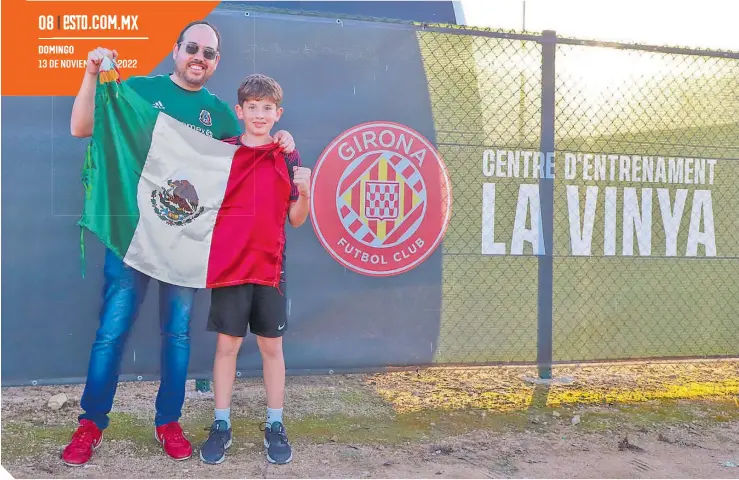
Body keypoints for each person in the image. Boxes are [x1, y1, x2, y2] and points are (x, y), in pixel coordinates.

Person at [62, 21, 298, 467]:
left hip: (186, 246)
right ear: (176, 50)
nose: (199, 58)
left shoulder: (222, 115)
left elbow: (256, 146)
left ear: (216, 64)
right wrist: (92, 73)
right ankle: (90, 424)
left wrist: (285, 142)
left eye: (209, 54)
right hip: (132, 238)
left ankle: (168, 421)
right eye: (193, 48)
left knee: (177, 335)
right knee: (111, 333)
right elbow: (81, 126)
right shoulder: (139, 91)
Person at [198, 73, 311, 466]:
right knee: (226, 346)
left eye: (267, 108)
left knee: (271, 348)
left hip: (270, 267)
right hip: (230, 267)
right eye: (252, 108)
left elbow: (296, 219)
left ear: (277, 114)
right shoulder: (222, 151)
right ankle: (221, 423)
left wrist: (307, 190)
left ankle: (275, 423)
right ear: (239, 111)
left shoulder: (288, 156)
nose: (259, 115)